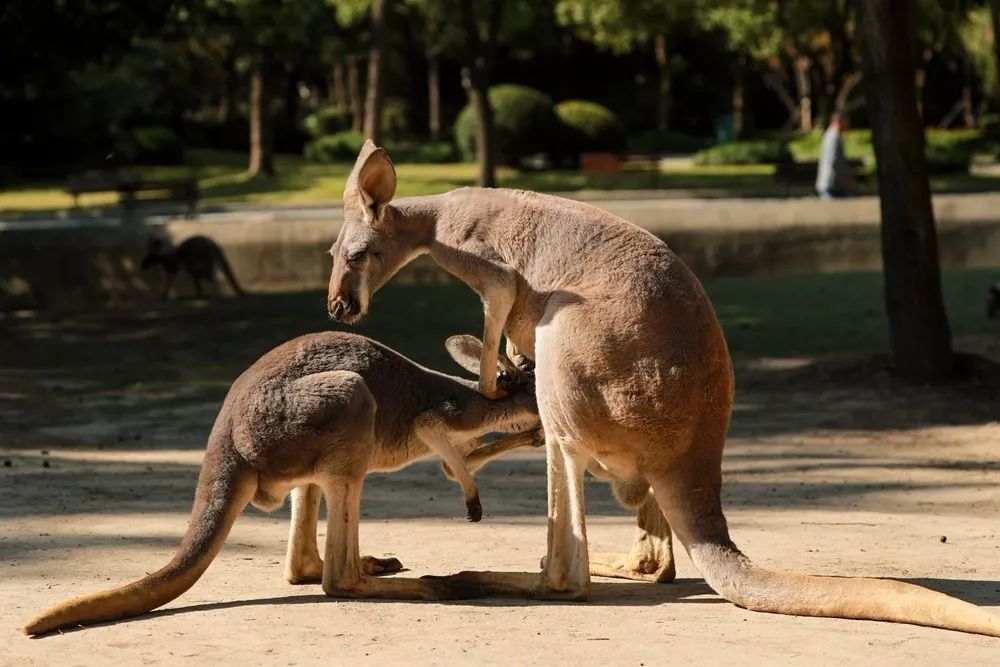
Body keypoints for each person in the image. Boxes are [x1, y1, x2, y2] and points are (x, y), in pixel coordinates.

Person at [816, 114, 857, 198]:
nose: (848, 125)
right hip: (831, 183)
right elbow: (834, 160)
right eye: (846, 122)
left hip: (832, 183)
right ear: (839, 122)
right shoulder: (833, 136)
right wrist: (846, 179)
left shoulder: (832, 134)